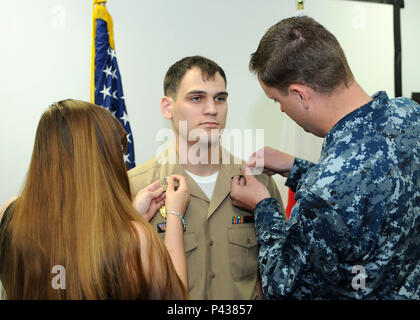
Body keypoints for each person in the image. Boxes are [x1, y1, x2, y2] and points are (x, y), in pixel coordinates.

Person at [230, 16, 420, 299]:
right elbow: (371, 188)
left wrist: (263, 206)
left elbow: (283, 287)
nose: (282, 111)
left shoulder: (326, 193)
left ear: (300, 95)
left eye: (277, 101)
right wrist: (295, 168)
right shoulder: (410, 114)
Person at [128, 55, 284, 299]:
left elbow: (279, 276)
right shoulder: (135, 187)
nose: (212, 109)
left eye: (220, 98)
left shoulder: (259, 183)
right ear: (167, 107)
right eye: (197, 98)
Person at [0, 99, 190, 299]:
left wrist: (128, 220)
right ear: (103, 161)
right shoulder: (136, 240)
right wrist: (174, 217)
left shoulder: (10, 214)